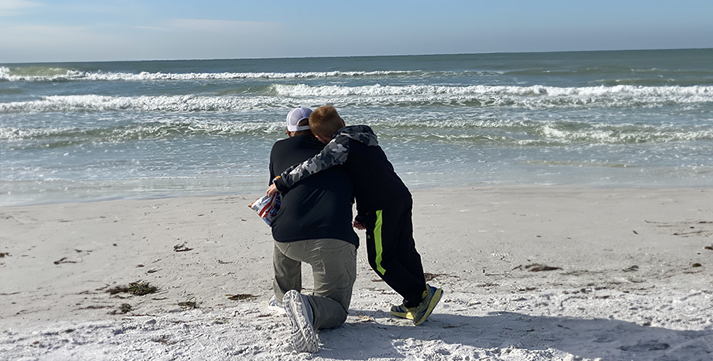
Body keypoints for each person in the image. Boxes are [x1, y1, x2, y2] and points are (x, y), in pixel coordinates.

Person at [268, 105, 442, 326]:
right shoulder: (363, 138)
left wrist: (282, 181)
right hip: (398, 197)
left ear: (320, 137)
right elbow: (366, 179)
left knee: (380, 259)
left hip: (381, 206)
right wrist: (362, 212)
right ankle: (416, 299)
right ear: (342, 123)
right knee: (404, 248)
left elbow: (314, 165)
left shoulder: (340, 146)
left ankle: (420, 294)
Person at [268, 107, 359, 353]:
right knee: (336, 309)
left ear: (289, 133)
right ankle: (309, 307)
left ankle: (283, 298)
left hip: (288, 238)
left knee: (280, 224)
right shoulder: (344, 150)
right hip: (333, 237)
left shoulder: (278, 148)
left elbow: (275, 195)